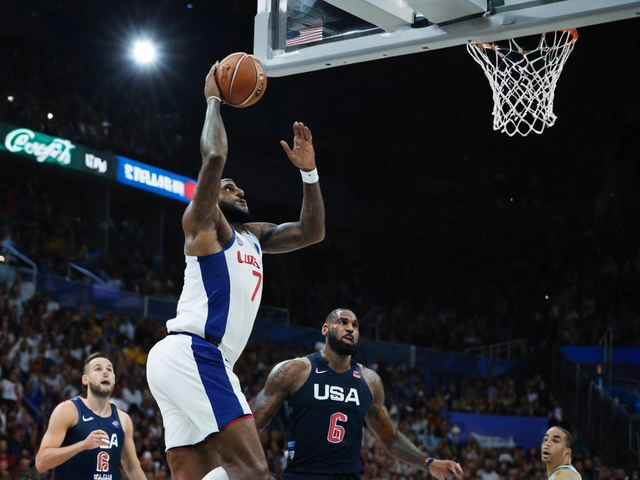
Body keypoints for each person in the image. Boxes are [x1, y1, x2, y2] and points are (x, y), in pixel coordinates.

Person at [146, 62, 325, 480]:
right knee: (253, 470)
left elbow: (312, 232)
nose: (239, 190)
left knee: (198, 473)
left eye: (240, 188)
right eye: (230, 187)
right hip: (195, 352)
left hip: (194, 359)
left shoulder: (255, 236)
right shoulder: (203, 223)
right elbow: (215, 155)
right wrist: (214, 98)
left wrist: (309, 172)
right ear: (212, 194)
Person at [250, 308, 464, 480]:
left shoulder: (369, 381)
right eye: (342, 322)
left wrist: (428, 462)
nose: (350, 328)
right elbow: (252, 424)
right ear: (325, 329)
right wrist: (257, 469)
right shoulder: (294, 370)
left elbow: (390, 438)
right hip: (303, 474)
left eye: (355, 325)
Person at [35, 353, 146, 480]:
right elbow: (41, 463)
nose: (105, 373)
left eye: (109, 369)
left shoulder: (123, 419)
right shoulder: (68, 411)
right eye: (98, 369)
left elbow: (132, 467)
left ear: (114, 379)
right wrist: (83, 445)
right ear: (85, 379)